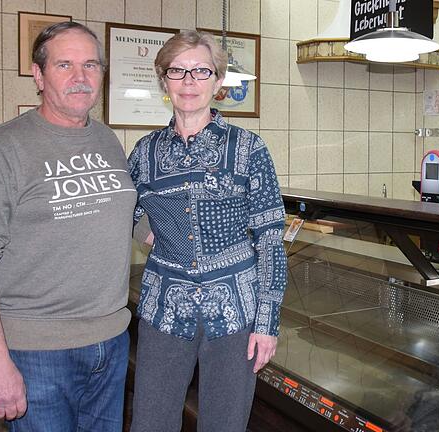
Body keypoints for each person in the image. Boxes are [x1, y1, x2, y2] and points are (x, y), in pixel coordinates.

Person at [0, 22, 136, 431]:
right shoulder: (0, 149)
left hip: (111, 341)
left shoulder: (107, 140)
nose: (80, 77)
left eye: (91, 65)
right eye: (64, 64)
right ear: (38, 75)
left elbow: (126, 219)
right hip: (38, 352)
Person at [127, 30, 287, 432]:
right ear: (164, 81)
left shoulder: (249, 148)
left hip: (235, 313)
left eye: (201, 71)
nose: (188, 82)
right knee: (151, 421)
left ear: (218, 82)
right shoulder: (145, 152)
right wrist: (162, 238)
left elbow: (269, 237)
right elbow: (127, 214)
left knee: (225, 424)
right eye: (177, 71)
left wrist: (267, 322)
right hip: (163, 307)